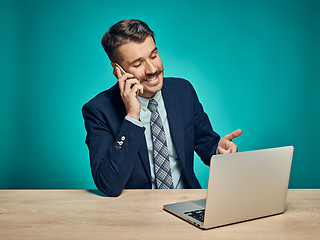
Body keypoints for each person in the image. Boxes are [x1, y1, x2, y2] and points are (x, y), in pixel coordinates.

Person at [82, 19, 242, 197]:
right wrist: (132, 116)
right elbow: (109, 184)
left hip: (185, 202)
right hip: (134, 212)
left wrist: (219, 152)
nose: (152, 69)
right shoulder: (98, 110)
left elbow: (207, 145)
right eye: (138, 63)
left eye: (153, 56)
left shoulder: (183, 91)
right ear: (118, 70)